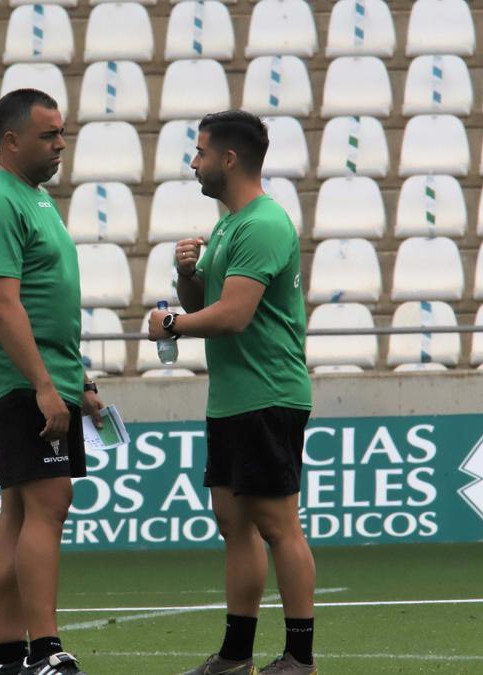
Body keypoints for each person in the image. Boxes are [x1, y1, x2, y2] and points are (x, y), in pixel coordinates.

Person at [145, 111, 317, 675]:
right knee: (234, 524)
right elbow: (207, 306)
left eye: (198, 151)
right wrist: (188, 277)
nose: (192, 162)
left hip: (268, 394)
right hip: (233, 398)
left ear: (229, 158)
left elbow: (235, 316)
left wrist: (168, 324)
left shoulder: (263, 223)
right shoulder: (226, 227)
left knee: (277, 524)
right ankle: (236, 655)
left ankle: (299, 656)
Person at [0, 88, 105, 675]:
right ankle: (44, 650)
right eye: (49, 135)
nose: (61, 143)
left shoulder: (33, 198)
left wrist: (79, 381)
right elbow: (2, 304)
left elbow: (47, 303)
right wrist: (44, 386)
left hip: (44, 375)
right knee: (49, 498)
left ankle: (7, 655)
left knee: (19, 508)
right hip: (18, 379)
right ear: (11, 140)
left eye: (62, 132)